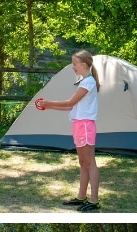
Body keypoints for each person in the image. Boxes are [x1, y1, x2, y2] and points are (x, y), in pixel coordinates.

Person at [33, 50, 102, 212]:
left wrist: (49, 102)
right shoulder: (85, 81)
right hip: (79, 125)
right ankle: (81, 196)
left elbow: (70, 101)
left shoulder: (88, 83)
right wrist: (48, 106)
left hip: (85, 126)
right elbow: (72, 106)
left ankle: (94, 201)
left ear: (84, 65)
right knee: (83, 163)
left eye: (75, 64)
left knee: (90, 163)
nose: (73, 67)